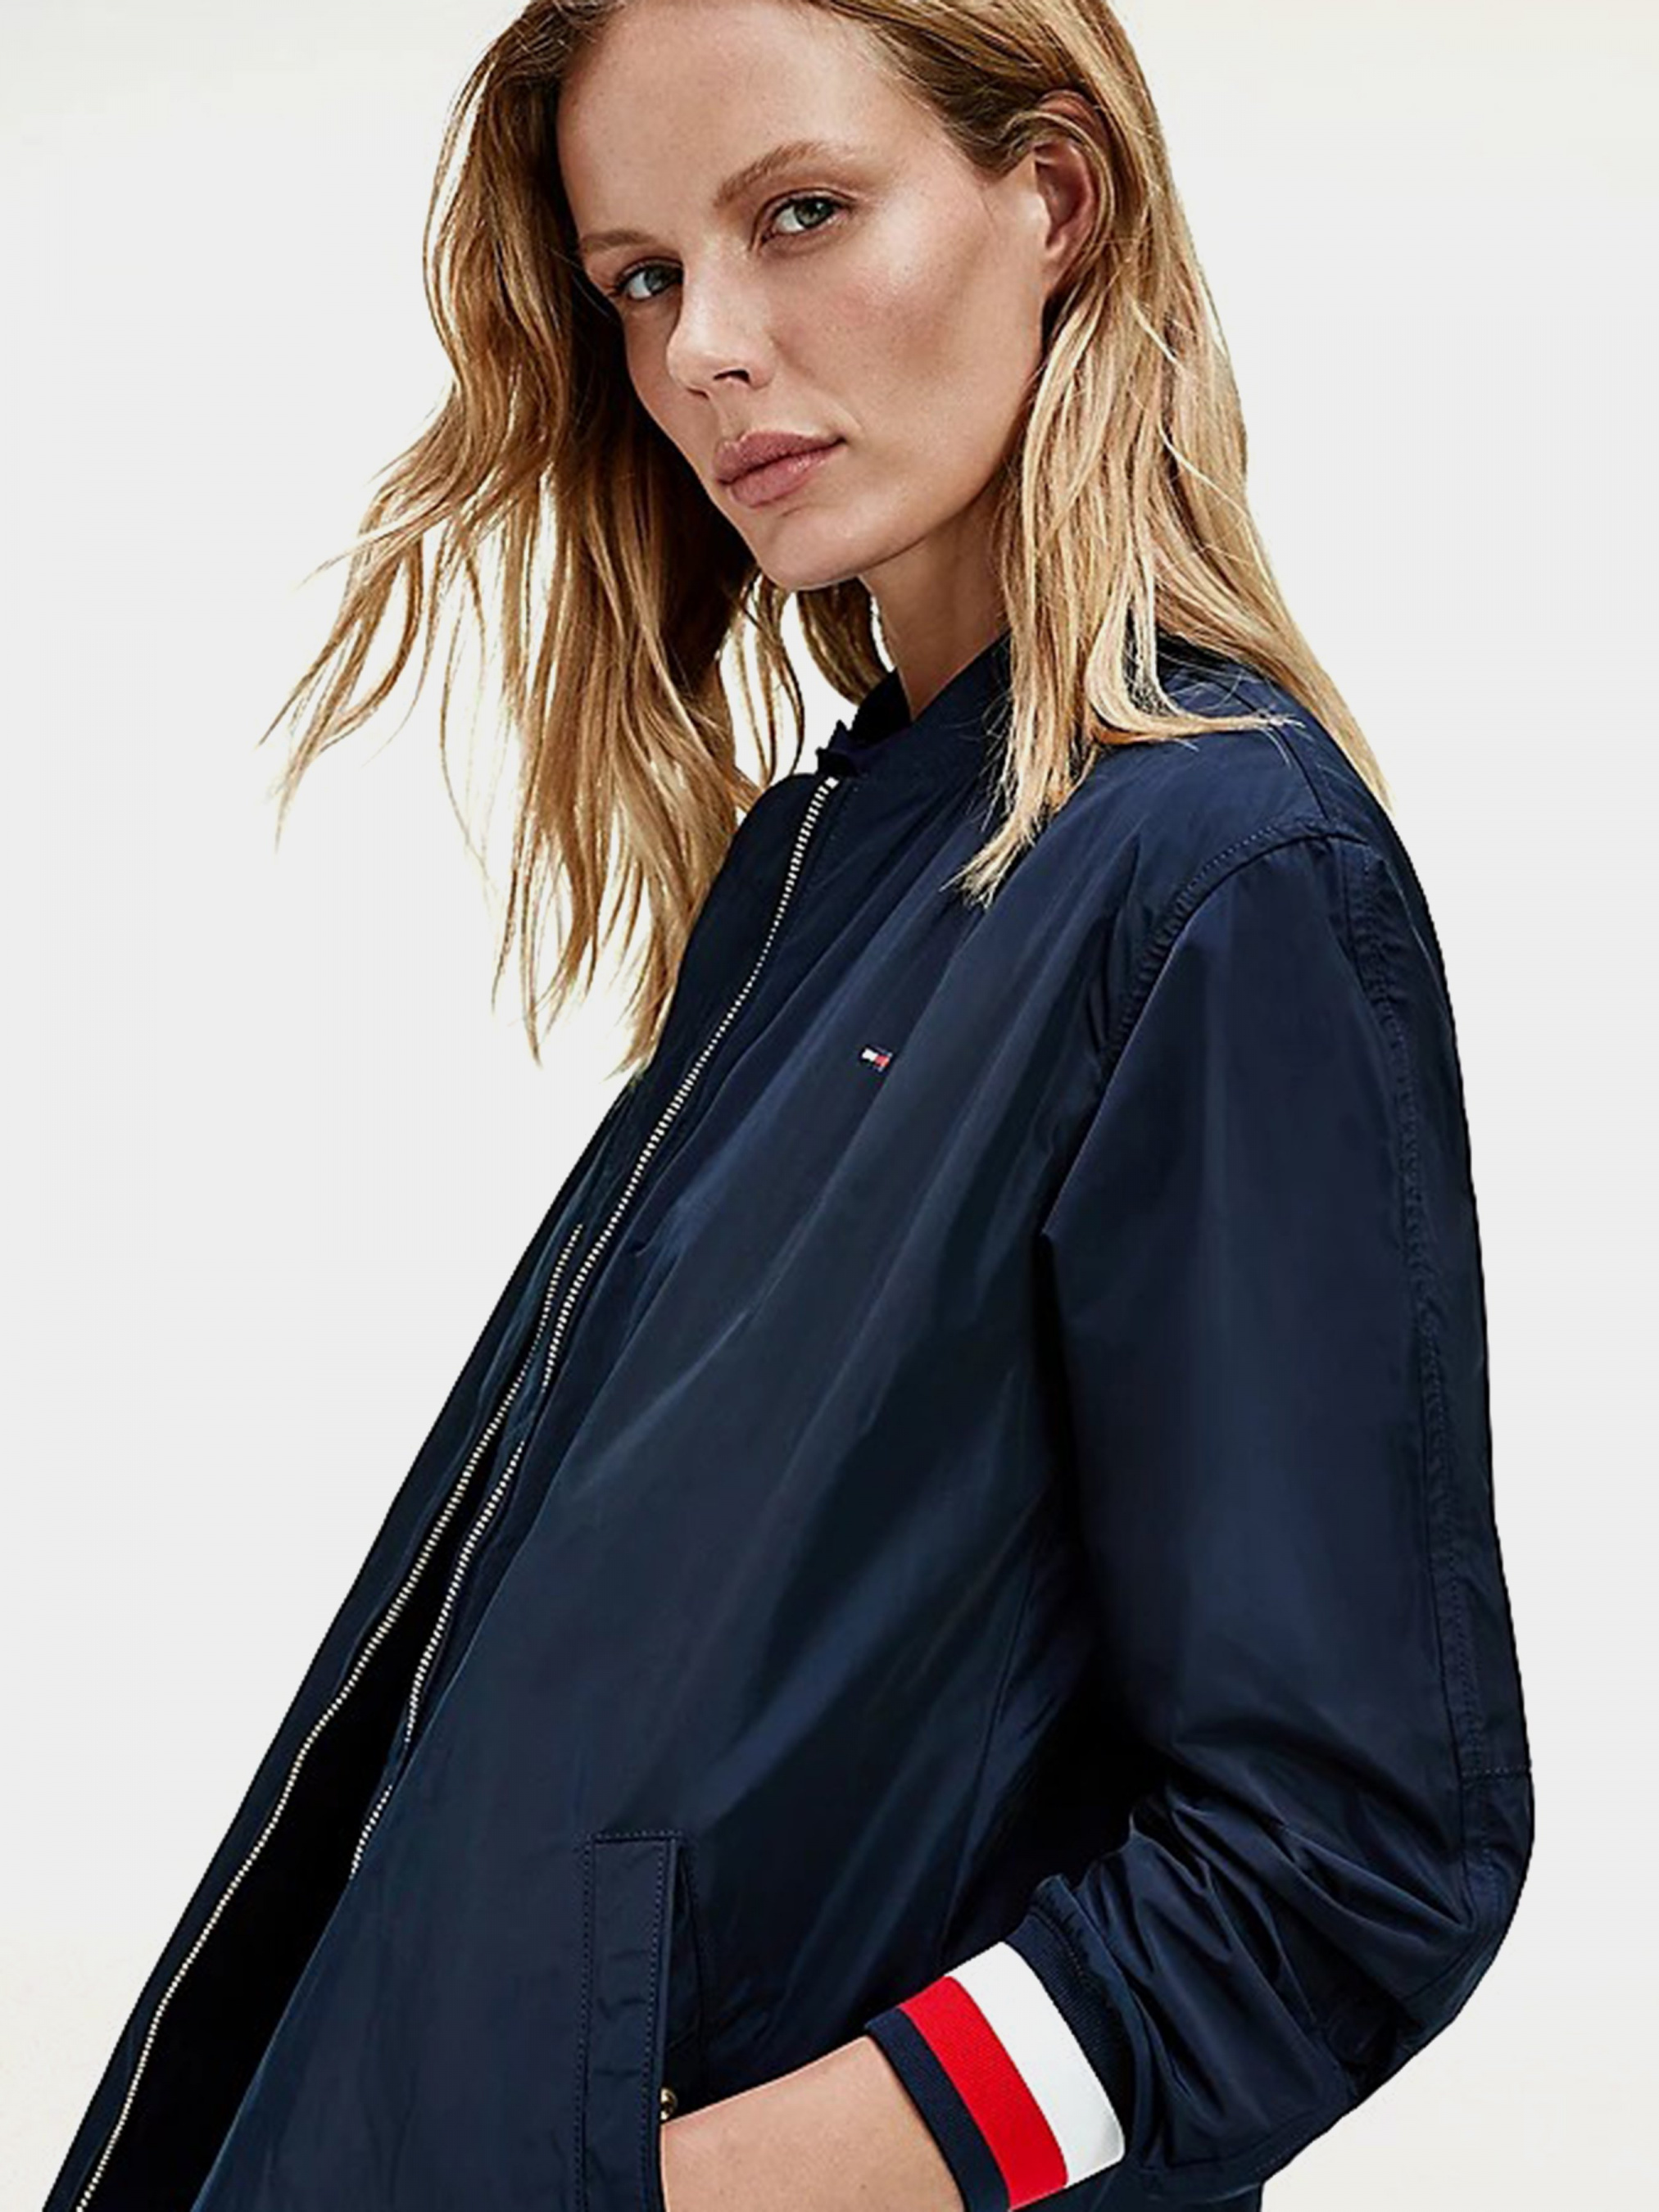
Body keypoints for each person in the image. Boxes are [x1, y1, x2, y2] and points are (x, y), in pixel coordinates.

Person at [42, 3, 1533, 2210]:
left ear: (1054, 199)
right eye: (641, 275)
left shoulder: (1215, 877)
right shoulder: (824, 860)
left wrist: (676, 2194)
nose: (705, 349)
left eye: (801, 215)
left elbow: (1336, 1868)